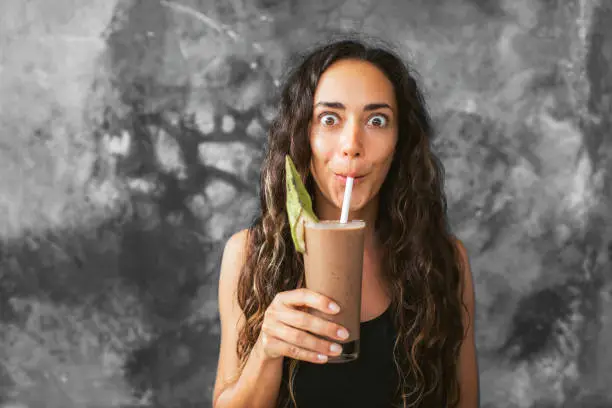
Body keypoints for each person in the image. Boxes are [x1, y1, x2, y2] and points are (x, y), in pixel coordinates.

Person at [212, 37, 479, 408]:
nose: (352, 144)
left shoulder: (446, 261)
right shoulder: (248, 255)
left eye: (377, 120)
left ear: (400, 142)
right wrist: (266, 352)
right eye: (330, 119)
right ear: (303, 133)